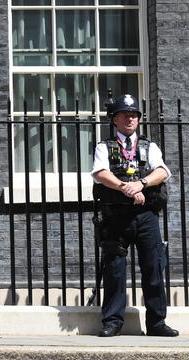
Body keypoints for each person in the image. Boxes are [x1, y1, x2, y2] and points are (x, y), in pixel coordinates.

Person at [91, 94, 178, 337]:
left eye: (134, 115)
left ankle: (156, 322)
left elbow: (162, 172)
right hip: (116, 215)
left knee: (153, 267)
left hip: (146, 215)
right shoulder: (103, 147)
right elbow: (100, 173)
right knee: (115, 270)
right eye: (124, 115)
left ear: (138, 120)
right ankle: (112, 321)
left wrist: (140, 184)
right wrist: (125, 187)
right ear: (114, 120)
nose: (130, 118)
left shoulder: (150, 146)